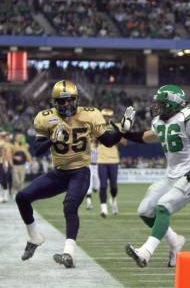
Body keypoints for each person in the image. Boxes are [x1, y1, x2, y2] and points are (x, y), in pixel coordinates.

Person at [17, 80, 133, 268]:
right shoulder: (45, 118)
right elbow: (37, 151)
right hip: (58, 173)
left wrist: (122, 130)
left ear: (76, 99)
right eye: (61, 101)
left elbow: (109, 141)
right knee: (22, 197)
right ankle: (34, 237)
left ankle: (68, 253)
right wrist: (52, 140)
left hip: (80, 171)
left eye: (69, 100)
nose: (65, 105)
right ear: (54, 103)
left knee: (69, 206)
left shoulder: (90, 115)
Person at [121, 85, 190, 268]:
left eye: (161, 104)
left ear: (173, 104)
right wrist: (124, 132)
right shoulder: (161, 122)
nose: (157, 107)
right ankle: (175, 241)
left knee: (163, 206)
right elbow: (147, 137)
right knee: (145, 210)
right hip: (172, 175)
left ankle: (145, 252)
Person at [97, 108, 127, 217]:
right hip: (101, 160)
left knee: (113, 186)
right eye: (105, 116)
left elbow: (124, 142)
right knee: (103, 185)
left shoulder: (117, 126)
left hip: (114, 160)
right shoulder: (97, 127)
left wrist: (117, 136)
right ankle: (103, 208)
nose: (107, 118)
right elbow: (91, 141)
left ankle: (113, 200)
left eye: (109, 116)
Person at [0, 131, 14, 202]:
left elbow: (7, 155)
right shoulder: (3, 144)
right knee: (2, 180)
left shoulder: (8, 145)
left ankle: (4, 195)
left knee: (4, 180)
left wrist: (8, 164)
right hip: (3, 162)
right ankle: (2, 195)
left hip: (3, 162)